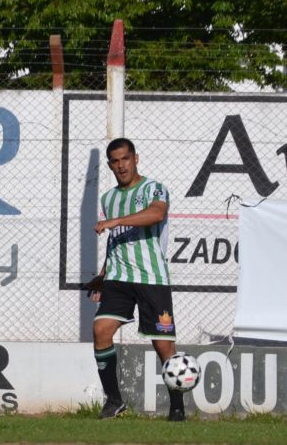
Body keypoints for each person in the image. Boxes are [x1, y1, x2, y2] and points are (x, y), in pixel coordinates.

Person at [88, 137, 185, 421]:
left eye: (125, 159)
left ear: (136, 158)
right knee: (101, 330)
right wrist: (103, 274)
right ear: (110, 165)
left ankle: (177, 407)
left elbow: (156, 214)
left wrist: (115, 221)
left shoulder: (154, 188)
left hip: (151, 278)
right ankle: (114, 400)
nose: (121, 165)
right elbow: (116, 240)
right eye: (115, 161)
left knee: (163, 346)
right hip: (118, 278)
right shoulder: (109, 198)